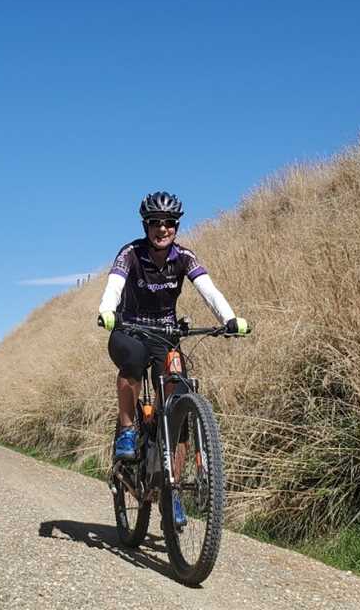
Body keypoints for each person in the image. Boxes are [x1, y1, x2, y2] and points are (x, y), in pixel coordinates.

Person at [97, 191, 249, 526]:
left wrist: (229, 318)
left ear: (176, 226)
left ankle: (172, 493)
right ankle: (126, 429)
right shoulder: (131, 253)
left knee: (177, 408)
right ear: (145, 225)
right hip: (129, 329)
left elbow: (209, 289)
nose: (162, 228)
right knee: (133, 361)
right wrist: (107, 310)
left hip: (166, 335)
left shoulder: (184, 257)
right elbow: (115, 284)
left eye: (168, 223)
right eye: (155, 223)